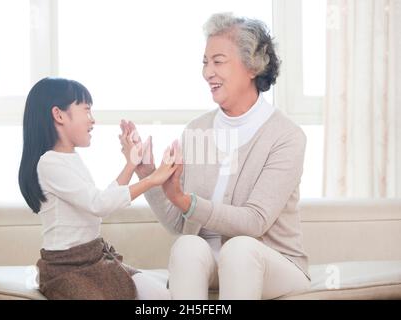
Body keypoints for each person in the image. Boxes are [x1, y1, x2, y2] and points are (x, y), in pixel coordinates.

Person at [121, 12, 311, 300]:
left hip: (274, 263)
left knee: (239, 249)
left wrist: (186, 200)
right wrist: (147, 172)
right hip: (213, 263)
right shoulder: (196, 130)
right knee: (187, 245)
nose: (207, 72)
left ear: (252, 67)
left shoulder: (286, 136)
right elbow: (179, 221)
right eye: (205, 62)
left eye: (218, 61)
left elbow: (254, 221)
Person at [18, 77, 174, 300]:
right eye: (87, 111)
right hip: (65, 268)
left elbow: (99, 199)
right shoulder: (49, 163)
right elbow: (98, 204)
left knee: (159, 295)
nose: (93, 120)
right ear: (59, 115)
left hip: (95, 259)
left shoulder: (70, 158)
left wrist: (131, 164)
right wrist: (152, 179)